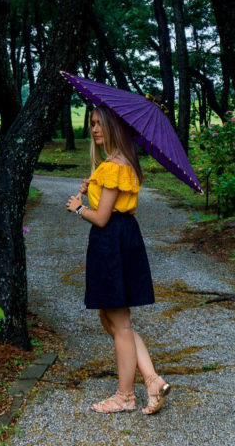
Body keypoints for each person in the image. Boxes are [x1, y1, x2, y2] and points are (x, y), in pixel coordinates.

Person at [66, 105, 171, 415]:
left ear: (114, 127)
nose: (95, 129)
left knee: (120, 323)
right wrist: (91, 188)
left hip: (111, 239)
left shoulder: (114, 166)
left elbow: (100, 218)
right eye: (93, 124)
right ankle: (152, 380)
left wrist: (78, 208)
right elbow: (107, 204)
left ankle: (125, 396)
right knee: (110, 319)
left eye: (101, 124)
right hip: (121, 237)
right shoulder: (115, 164)